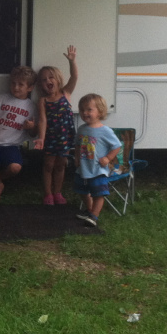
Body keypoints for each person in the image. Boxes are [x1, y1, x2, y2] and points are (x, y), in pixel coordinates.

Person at [0, 65, 38, 206]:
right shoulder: (1, 98)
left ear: (30, 88)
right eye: (13, 83)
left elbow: (32, 134)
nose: (16, 87)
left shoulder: (31, 106)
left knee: (15, 168)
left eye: (20, 84)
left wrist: (31, 127)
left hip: (12, 145)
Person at [33, 46, 78, 206]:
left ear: (58, 79)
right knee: (48, 165)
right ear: (41, 85)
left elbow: (74, 76)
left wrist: (72, 61)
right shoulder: (43, 101)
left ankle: (58, 192)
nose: (48, 81)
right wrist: (41, 138)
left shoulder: (66, 93)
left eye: (51, 77)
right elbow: (43, 120)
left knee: (61, 165)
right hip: (51, 137)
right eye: (44, 80)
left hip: (65, 136)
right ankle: (48, 194)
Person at [72, 93, 123, 227]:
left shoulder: (105, 131)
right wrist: (77, 157)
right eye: (82, 109)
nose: (85, 112)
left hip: (98, 169)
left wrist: (108, 158)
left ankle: (94, 216)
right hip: (83, 167)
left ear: (100, 111)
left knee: (98, 193)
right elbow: (77, 144)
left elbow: (117, 146)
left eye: (89, 109)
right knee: (81, 190)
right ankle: (89, 210)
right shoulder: (81, 129)